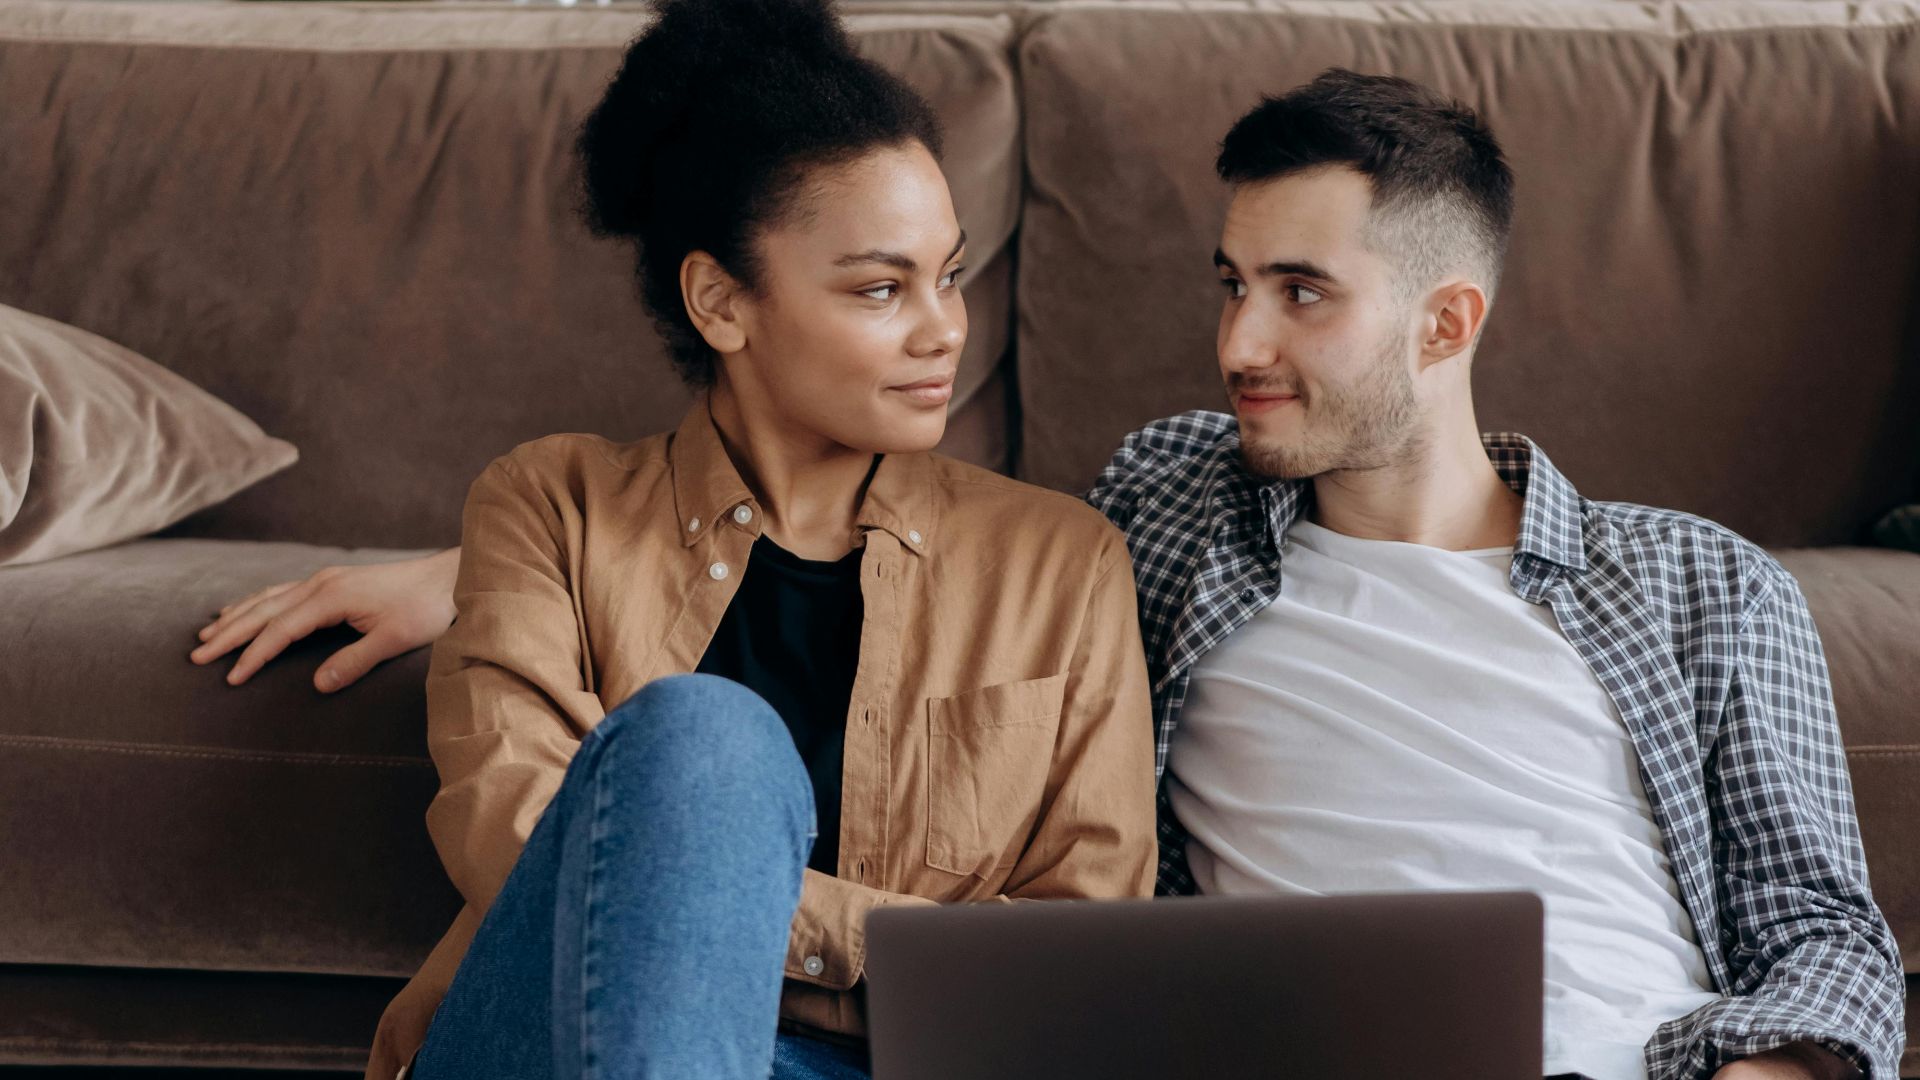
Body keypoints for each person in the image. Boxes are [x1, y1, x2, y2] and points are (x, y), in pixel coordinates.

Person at [193, 65, 1904, 1080]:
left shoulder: (1699, 588)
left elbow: (1831, 933)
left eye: (1300, 294)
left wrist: (1765, 1071)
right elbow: (767, 551)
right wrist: (477, 573)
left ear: (1449, 323)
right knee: (706, 740)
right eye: (1225, 281)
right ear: (725, 298)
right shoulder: (1182, 513)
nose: (1235, 340)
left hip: (1634, 1060)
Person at [222, 2, 1160, 1077]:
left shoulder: (1064, 565)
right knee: (704, 740)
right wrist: (877, 935)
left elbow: (1075, 962)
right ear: (721, 301)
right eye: (880, 288)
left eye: (949, 275)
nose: (944, 327)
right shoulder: (547, 507)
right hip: (553, 1043)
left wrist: (709, 896)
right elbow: (519, 846)